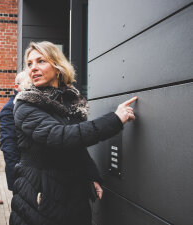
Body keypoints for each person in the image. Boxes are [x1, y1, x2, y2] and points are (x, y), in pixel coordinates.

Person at [9, 41, 137, 225]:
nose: (33, 68)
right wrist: (115, 119)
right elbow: (61, 136)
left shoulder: (70, 101)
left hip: (73, 191)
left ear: (58, 67)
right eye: (29, 64)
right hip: (39, 193)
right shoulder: (26, 104)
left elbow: (76, 146)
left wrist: (91, 174)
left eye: (41, 61)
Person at [0, 71, 29, 191]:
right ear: (16, 87)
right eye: (28, 84)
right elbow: (9, 146)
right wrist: (19, 176)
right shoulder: (9, 109)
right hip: (22, 175)